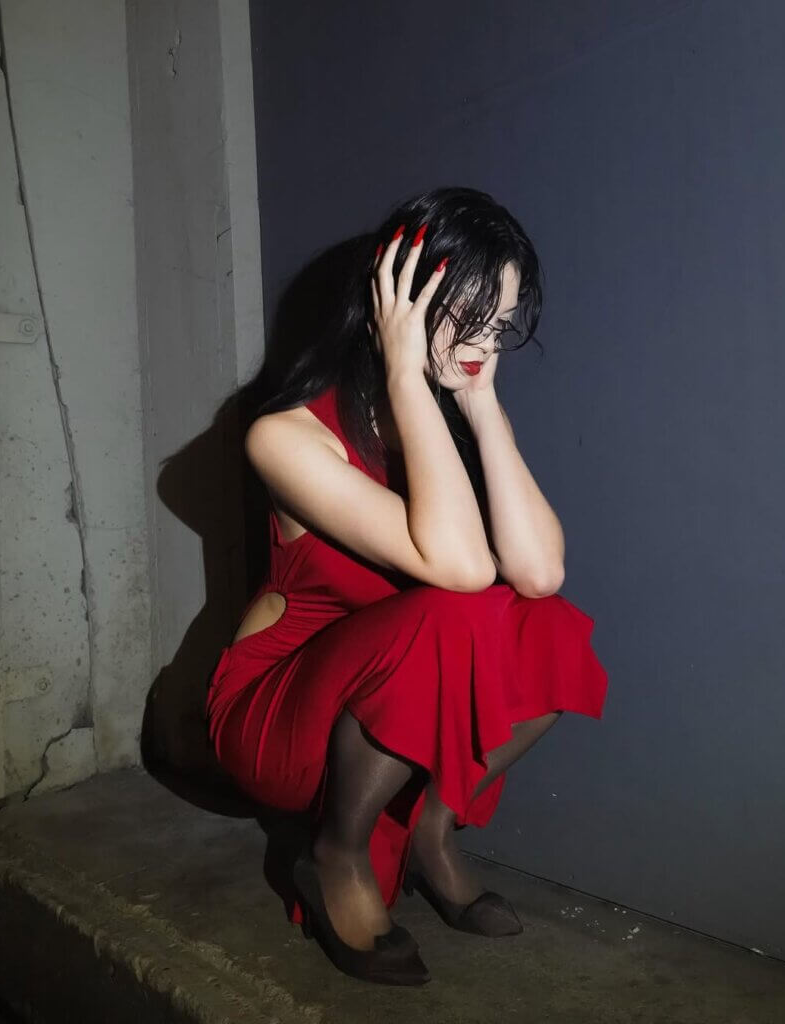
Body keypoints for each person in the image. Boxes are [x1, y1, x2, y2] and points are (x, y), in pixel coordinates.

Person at [205, 186, 608, 986]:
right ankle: (336, 854)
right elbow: (460, 572)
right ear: (393, 304)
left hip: (391, 705)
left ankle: (431, 827)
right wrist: (402, 369)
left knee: (551, 627)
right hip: (280, 715)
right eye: (464, 315)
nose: (481, 343)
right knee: (457, 609)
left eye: (498, 323)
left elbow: (539, 573)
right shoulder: (284, 436)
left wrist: (482, 405)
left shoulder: (441, 421)